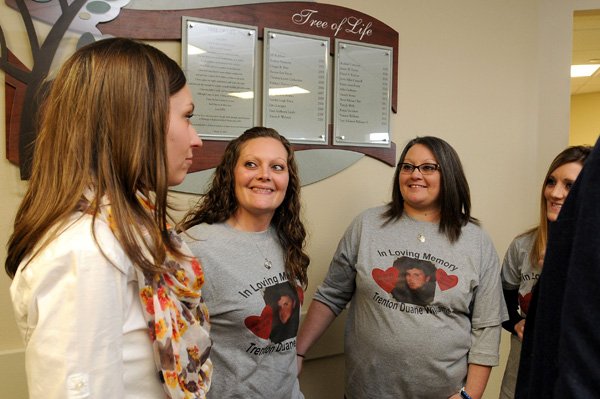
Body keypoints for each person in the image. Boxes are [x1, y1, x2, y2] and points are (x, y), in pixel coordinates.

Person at [5, 38, 212, 398]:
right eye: (186, 117)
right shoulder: (86, 251)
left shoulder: (133, 227)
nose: (195, 139)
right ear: (135, 123)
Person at [297, 136, 507, 399]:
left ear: (449, 175)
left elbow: (486, 326)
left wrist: (469, 396)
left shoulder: (476, 241)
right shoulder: (367, 225)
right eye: (407, 167)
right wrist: (298, 351)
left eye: (428, 167)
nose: (414, 174)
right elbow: (331, 294)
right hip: (366, 392)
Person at [179, 127, 309, 398]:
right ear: (230, 174)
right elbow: (173, 353)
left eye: (277, 166)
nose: (265, 175)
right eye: (251, 164)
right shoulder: (194, 247)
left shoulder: (287, 238)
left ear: (288, 179)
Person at [499, 145, 591, 399]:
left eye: (569, 185)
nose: (555, 192)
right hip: (522, 368)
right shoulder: (522, 245)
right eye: (551, 182)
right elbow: (498, 298)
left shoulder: (590, 254)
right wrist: (515, 323)